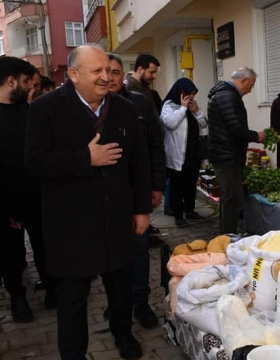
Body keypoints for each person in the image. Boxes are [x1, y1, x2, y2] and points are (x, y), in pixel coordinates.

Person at [25, 45, 151, 360]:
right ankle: (73, 354)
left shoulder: (123, 108)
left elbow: (139, 162)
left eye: (109, 71)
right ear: (73, 74)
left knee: (120, 290)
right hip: (71, 227)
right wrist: (85, 158)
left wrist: (141, 209)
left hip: (115, 220)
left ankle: (123, 334)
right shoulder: (45, 109)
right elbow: (34, 163)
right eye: (97, 71)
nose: (106, 77)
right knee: (72, 300)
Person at [105, 53, 166, 328]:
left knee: (139, 250)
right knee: (109, 255)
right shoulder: (90, 108)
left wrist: (156, 185)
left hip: (135, 193)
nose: (109, 77)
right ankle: (116, 304)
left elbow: (155, 144)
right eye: (104, 71)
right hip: (103, 197)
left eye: (115, 72)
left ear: (123, 74)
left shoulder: (140, 102)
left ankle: (141, 303)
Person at [0, 56, 38, 323]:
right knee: (11, 255)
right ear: (11, 81)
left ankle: (52, 288)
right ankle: (18, 298)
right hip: (6, 206)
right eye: (25, 82)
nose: (29, 87)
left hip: (36, 198)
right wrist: (7, 208)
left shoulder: (30, 112)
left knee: (44, 247)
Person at [207, 67, 265, 234]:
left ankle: (227, 234)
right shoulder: (228, 97)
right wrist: (257, 136)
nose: (250, 90)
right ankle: (228, 237)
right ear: (244, 81)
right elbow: (236, 128)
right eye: (251, 85)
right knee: (231, 198)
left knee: (229, 197)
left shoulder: (223, 94)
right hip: (227, 155)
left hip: (224, 153)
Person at [160, 78, 207, 227]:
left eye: (194, 94)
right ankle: (178, 215)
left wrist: (197, 111)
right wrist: (182, 108)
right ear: (181, 92)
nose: (192, 97)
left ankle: (190, 210)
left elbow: (204, 123)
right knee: (176, 187)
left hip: (193, 154)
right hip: (177, 155)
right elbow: (171, 124)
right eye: (189, 94)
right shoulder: (169, 106)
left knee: (190, 185)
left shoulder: (192, 107)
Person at [125, 54, 163, 235]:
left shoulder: (145, 89)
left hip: (150, 149)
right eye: (151, 72)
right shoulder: (129, 92)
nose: (154, 76)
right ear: (140, 69)